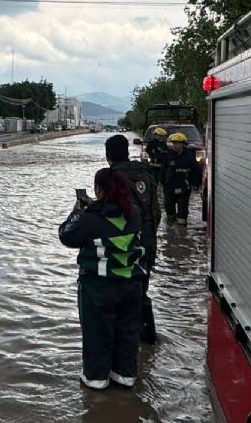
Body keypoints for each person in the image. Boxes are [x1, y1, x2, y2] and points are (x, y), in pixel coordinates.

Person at [59, 167, 147, 390]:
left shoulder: (89, 219)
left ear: (98, 190)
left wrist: (77, 210)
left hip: (98, 288)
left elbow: (66, 235)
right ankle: (125, 376)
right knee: (127, 333)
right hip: (131, 286)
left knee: (97, 333)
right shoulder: (134, 213)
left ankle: (96, 380)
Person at [105, 134, 160, 344]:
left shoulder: (112, 178)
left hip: (124, 246)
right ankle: (148, 342)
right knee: (141, 288)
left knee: (121, 294)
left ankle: (128, 343)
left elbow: (110, 216)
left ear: (108, 154)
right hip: (147, 241)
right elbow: (157, 212)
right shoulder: (146, 173)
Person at [162, 132, 203, 225]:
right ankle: (170, 233)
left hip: (184, 187)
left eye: (177, 143)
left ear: (183, 144)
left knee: (182, 212)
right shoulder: (169, 155)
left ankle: (182, 229)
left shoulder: (189, 156)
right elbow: (163, 170)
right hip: (170, 187)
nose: (175, 145)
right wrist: (163, 182)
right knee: (169, 211)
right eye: (174, 143)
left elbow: (196, 171)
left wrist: (196, 184)